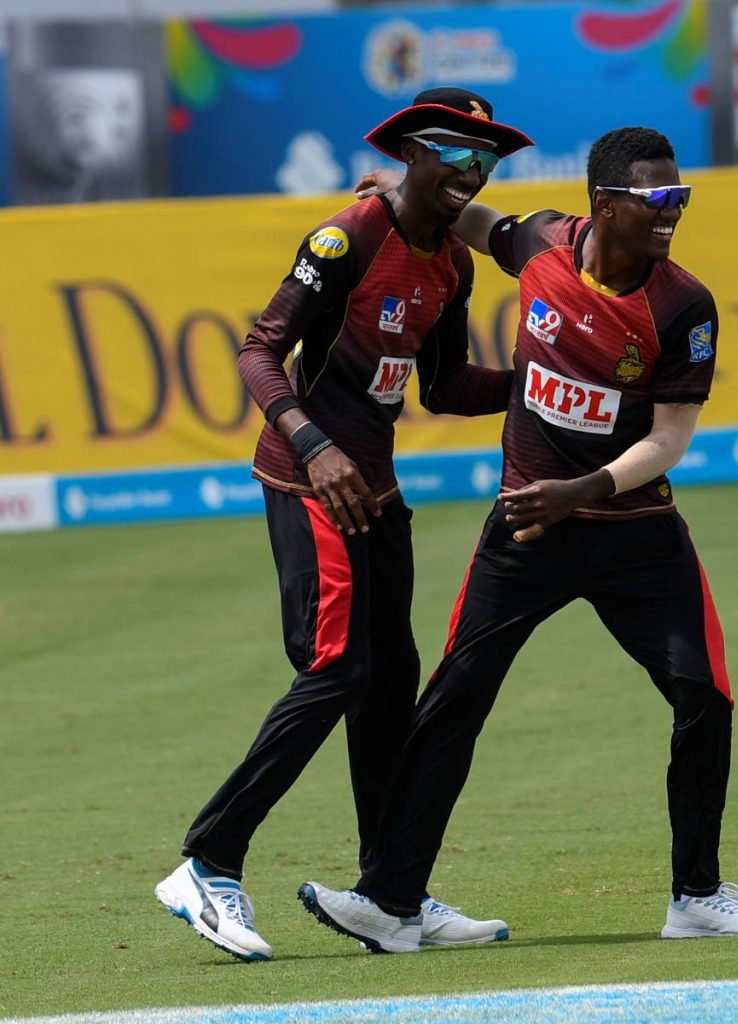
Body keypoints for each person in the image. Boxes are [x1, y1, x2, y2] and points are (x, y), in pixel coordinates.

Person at [300, 127, 738, 952]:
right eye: (657, 200)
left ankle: (696, 898)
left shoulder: (682, 305)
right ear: (606, 205)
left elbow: (668, 440)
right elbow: (474, 220)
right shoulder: (544, 245)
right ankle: (390, 902)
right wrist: (396, 190)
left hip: (635, 532)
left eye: (681, 199)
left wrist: (583, 491)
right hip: (525, 528)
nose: (672, 214)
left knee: (703, 696)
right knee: (454, 699)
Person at [154, 88, 533, 961]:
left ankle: (388, 897)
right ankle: (208, 864)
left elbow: (440, 387)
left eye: (488, 161)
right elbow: (259, 349)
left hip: (378, 492)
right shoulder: (350, 236)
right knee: (337, 669)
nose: (472, 172)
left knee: (391, 684)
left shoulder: (452, 264)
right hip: (310, 483)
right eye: (455, 151)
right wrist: (316, 447)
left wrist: (536, 378)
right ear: (411, 151)